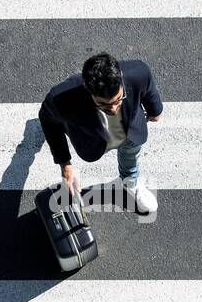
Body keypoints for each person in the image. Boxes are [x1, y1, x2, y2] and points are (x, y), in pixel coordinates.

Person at [37, 53, 162, 215]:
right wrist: (65, 164)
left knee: (131, 153)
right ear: (88, 90)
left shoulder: (139, 72)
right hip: (92, 140)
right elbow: (47, 120)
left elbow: (148, 86)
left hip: (129, 132)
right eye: (103, 104)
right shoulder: (62, 99)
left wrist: (155, 109)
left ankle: (129, 183)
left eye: (118, 99)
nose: (113, 109)